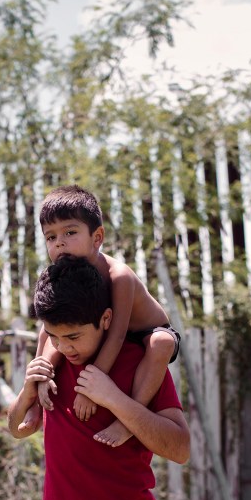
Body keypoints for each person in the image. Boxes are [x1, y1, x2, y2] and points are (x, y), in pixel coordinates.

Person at [7, 255, 191, 500]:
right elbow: (18, 427)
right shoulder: (52, 361)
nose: (64, 347)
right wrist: (29, 388)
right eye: (55, 336)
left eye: (74, 337)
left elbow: (180, 447)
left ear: (106, 320)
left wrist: (114, 400)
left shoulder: (138, 363)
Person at [34, 184, 181, 447]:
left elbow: (117, 334)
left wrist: (91, 390)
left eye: (70, 232)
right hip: (103, 327)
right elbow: (50, 328)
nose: (60, 243)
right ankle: (38, 383)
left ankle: (128, 421)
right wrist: (41, 376)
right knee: (52, 325)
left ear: (97, 237)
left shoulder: (118, 276)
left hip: (142, 332)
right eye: (51, 237)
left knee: (162, 343)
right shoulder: (62, 275)